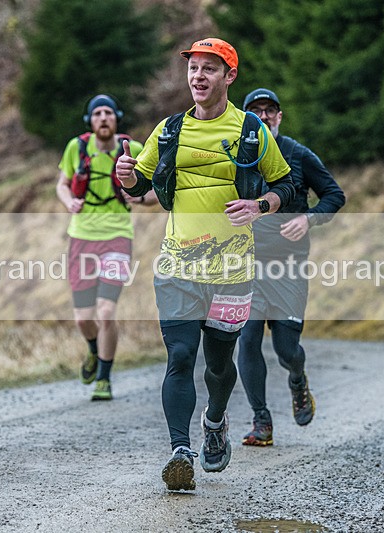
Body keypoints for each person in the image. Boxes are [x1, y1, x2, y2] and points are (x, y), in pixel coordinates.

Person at [115, 39, 295, 491]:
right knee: (179, 357)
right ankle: (180, 449)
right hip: (178, 264)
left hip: (233, 269)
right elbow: (140, 181)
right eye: (193, 68)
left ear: (229, 76)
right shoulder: (171, 129)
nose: (198, 76)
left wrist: (262, 205)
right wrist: (128, 175)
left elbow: (286, 184)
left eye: (209, 69)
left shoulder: (253, 130)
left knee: (219, 365)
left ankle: (214, 422)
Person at [237, 88, 345, 446]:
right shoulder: (237, 156)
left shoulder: (298, 154)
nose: (264, 116)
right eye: (256, 111)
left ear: (279, 117)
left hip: (288, 266)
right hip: (246, 264)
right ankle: (261, 421)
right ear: (246, 117)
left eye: (270, 111)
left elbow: (334, 195)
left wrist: (308, 219)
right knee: (247, 341)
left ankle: (298, 380)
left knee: (287, 351)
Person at [56, 94, 155, 401]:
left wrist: (139, 198)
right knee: (83, 319)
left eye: (108, 113)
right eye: (97, 113)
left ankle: (104, 378)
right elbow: (62, 183)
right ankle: (93, 351)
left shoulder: (133, 150)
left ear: (116, 119)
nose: (103, 118)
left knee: (107, 311)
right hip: (81, 237)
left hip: (117, 238)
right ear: (90, 121)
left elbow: (157, 190)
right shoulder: (77, 147)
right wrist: (68, 200)